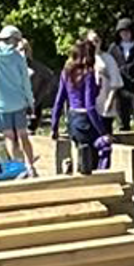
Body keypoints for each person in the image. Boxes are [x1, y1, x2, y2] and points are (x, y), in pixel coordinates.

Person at [0, 24, 37, 173]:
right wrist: (31, 101)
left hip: (0, 104)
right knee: (23, 135)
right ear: (13, 40)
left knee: (9, 137)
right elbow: (25, 82)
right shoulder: (17, 57)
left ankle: (18, 166)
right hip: (19, 102)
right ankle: (30, 166)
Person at [50, 38, 105, 174]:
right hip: (85, 119)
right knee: (90, 161)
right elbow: (90, 106)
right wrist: (103, 132)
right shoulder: (88, 74)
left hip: (72, 118)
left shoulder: (66, 73)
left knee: (78, 152)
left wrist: (54, 126)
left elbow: (59, 100)